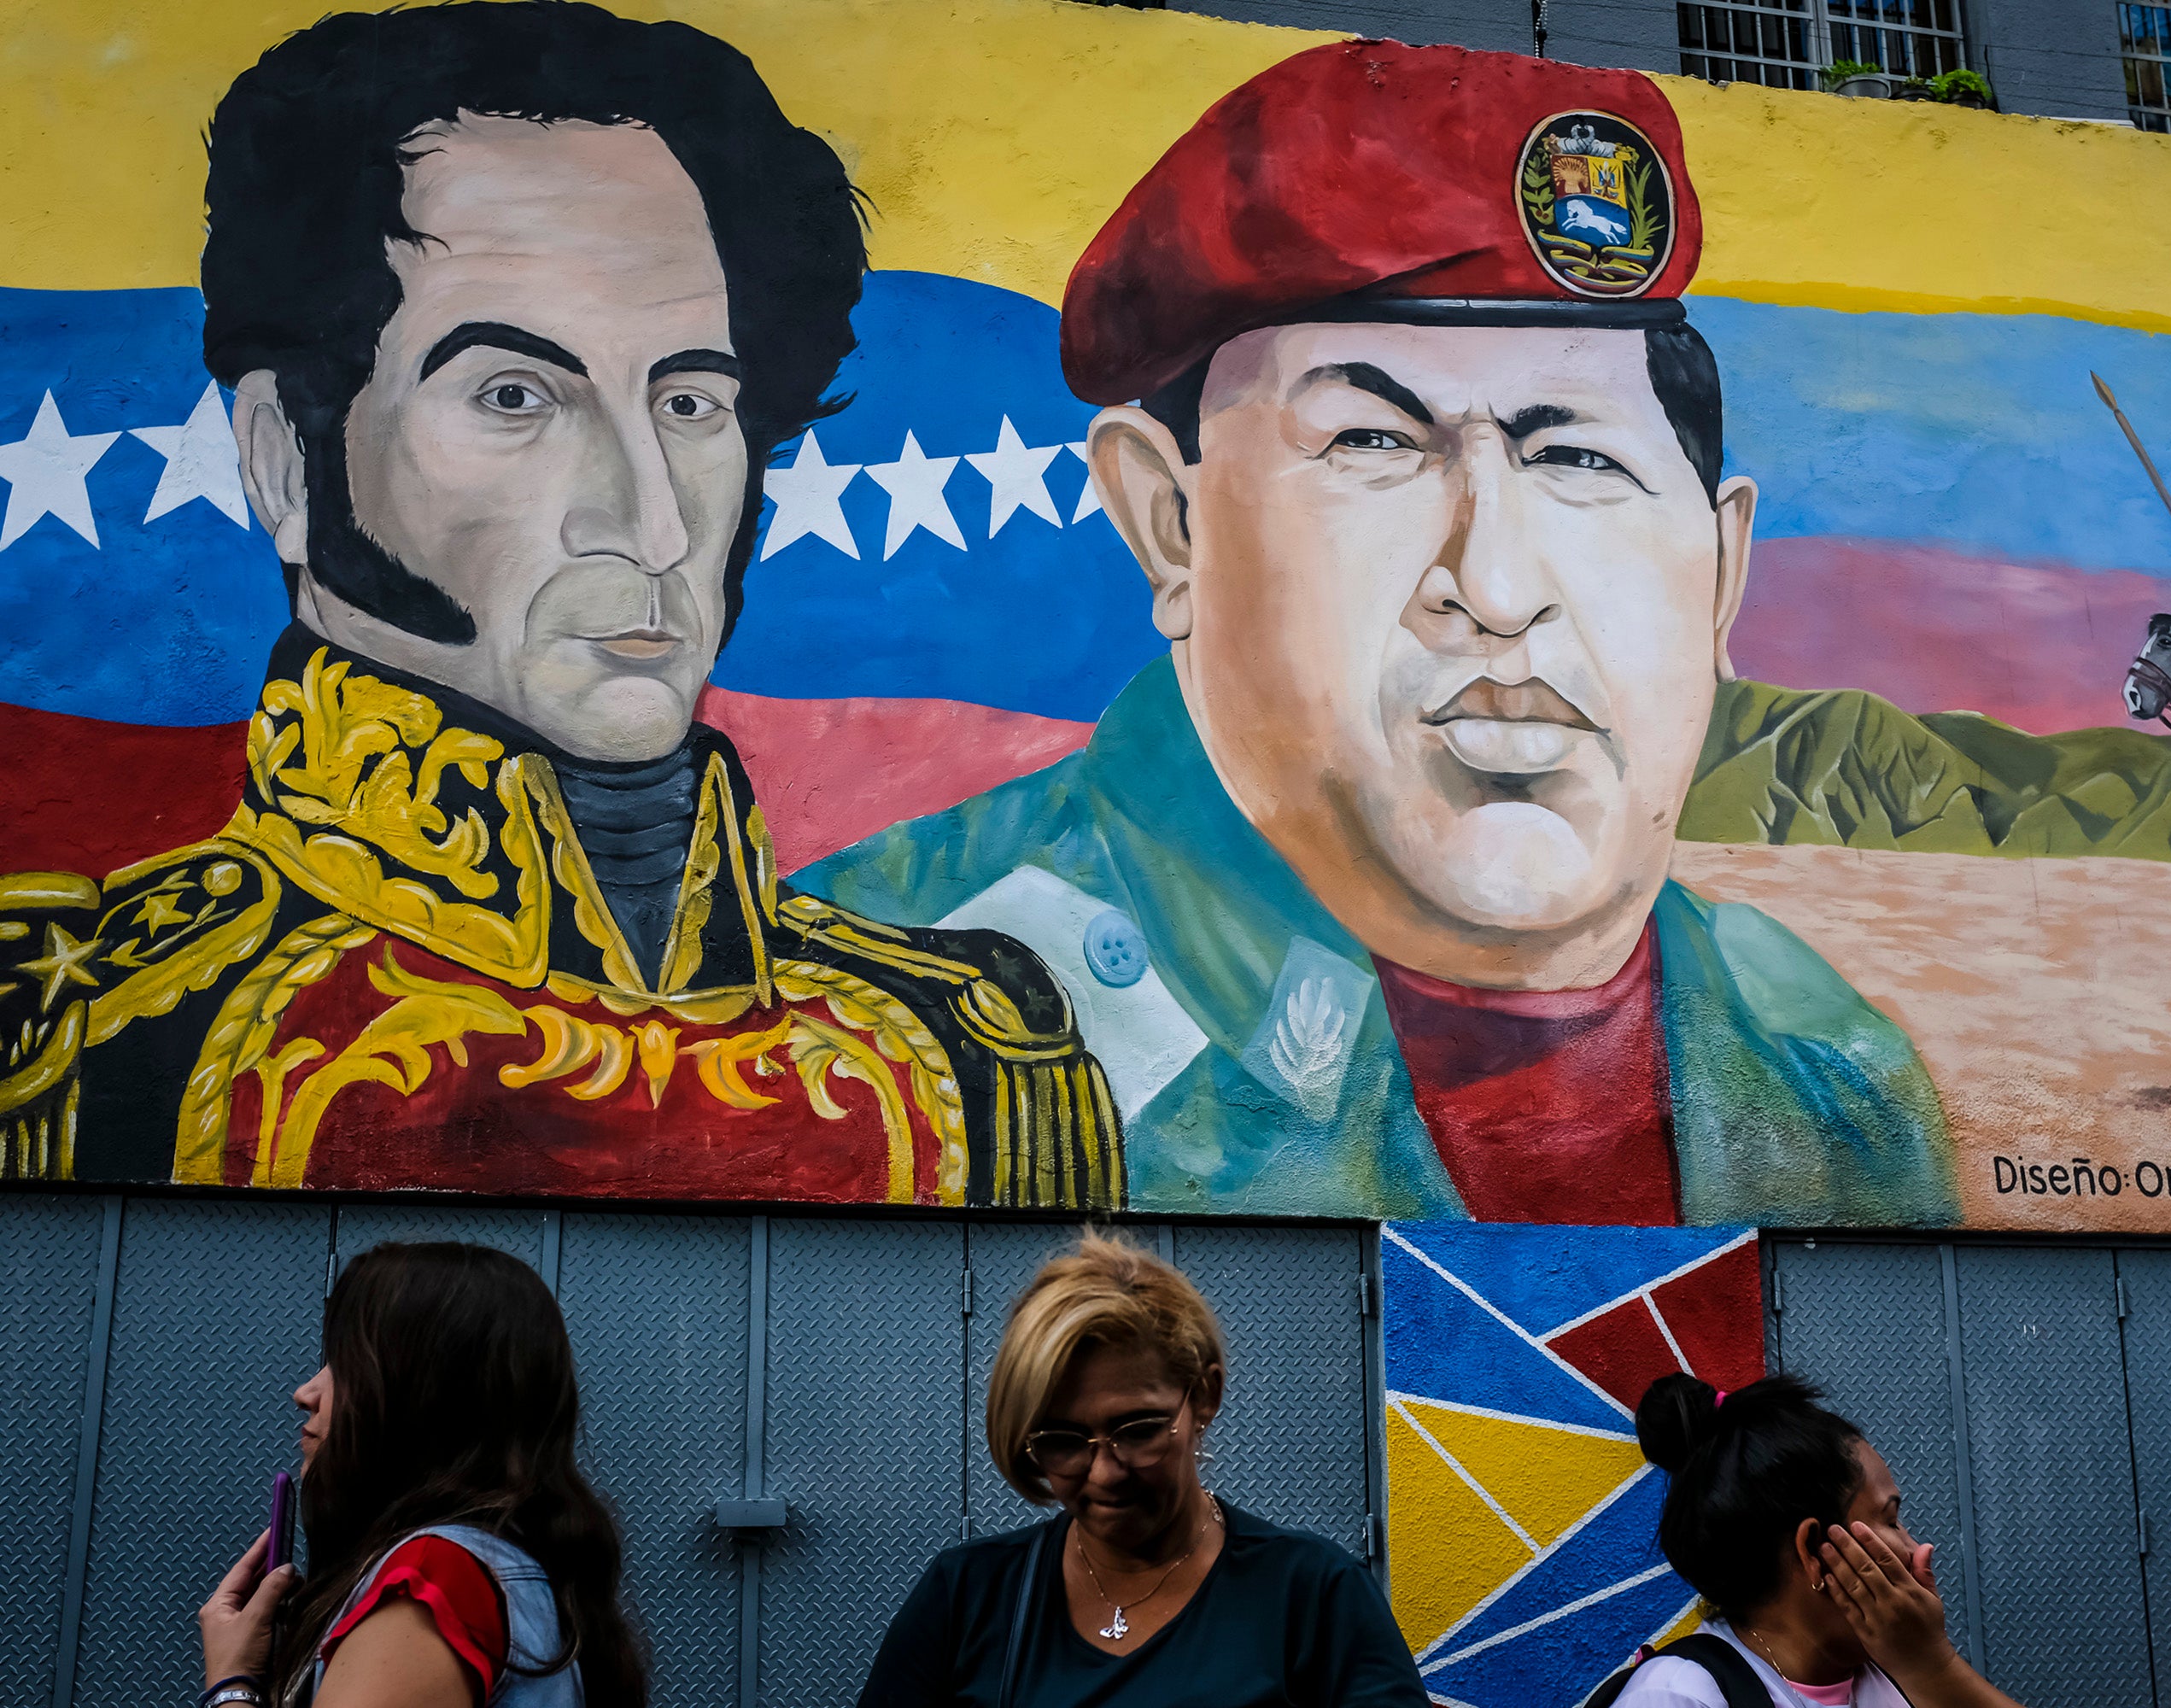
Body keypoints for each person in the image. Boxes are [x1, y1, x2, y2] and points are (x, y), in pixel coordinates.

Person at [801, 41, 1954, 1230]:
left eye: (1578, 457)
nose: (1497, 587)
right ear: (1170, 524)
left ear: (1723, 575)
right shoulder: (875, 1026)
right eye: (1372, 443)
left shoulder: (1835, 1070)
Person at [0, 1, 1121, 1208]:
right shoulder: (79, 1032)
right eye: (518, 395)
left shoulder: (973, 1055)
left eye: (691, 403)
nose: (651, 523)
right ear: (283, 457)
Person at [858, 1234, 1425, 1705]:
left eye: (1138, 1431)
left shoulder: (1314, 1595)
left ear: (1204, 1396)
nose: (1105, 1472)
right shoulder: (966, 1596)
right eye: (1062, 1441)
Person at [195, 1241, 645, 1708]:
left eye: (347, 1365)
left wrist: (232, 1683)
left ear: (423, 1397)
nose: (305, 1392)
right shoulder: (493, 1564)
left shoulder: (430, 1580)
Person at [1595, 1373, 2026, 1708]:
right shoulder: (1684, 1695)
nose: (1916, 1550)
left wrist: (1933, 1667)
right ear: (1815, 1550)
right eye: (1891, 1520)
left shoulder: (1903, 1676)